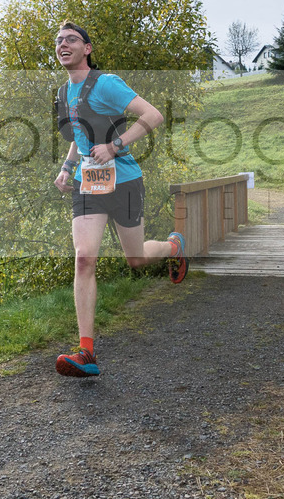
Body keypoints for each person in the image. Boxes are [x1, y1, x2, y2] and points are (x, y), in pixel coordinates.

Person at [52, 21, 186, 378]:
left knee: (137, 259)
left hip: (124, 181)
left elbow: (153, 115)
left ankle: (174, 248)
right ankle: (86, 352)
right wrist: (67, 168)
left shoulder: (106, 83)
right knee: (84, 259)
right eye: (59, 41)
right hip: (87, 184)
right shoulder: (65, 93)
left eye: (71, 40)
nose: (63, 45)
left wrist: (114, 146)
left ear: (87, 48)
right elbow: (79, 133)